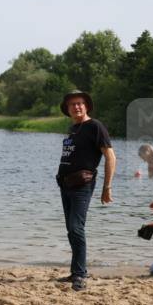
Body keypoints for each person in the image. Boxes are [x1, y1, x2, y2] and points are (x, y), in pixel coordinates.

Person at [55, 90, 115, 291]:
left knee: (76, 227)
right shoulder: (74, 128)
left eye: (80, 103)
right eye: (72, 104)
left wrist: (107, 186)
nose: (76, 107)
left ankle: (80, 275)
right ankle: (75, 271)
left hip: (82, 185)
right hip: (66, 185)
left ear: (86, 106)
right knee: (71, 230)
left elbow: (111, 156)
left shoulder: (94, 126)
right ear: (68, 109)